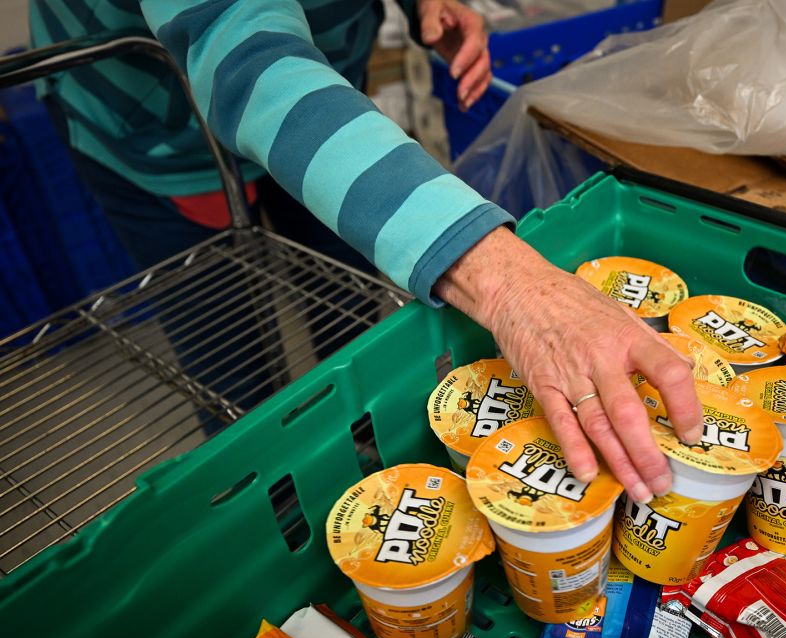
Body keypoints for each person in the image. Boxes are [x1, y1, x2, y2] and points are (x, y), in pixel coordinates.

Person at [29, 0, 702, 503]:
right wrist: (509, 282)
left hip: (326, 77)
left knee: (351, 308)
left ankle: (363, 467)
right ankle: (279, 516)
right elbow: (247, 62)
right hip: (164, 124)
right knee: (232, 372)